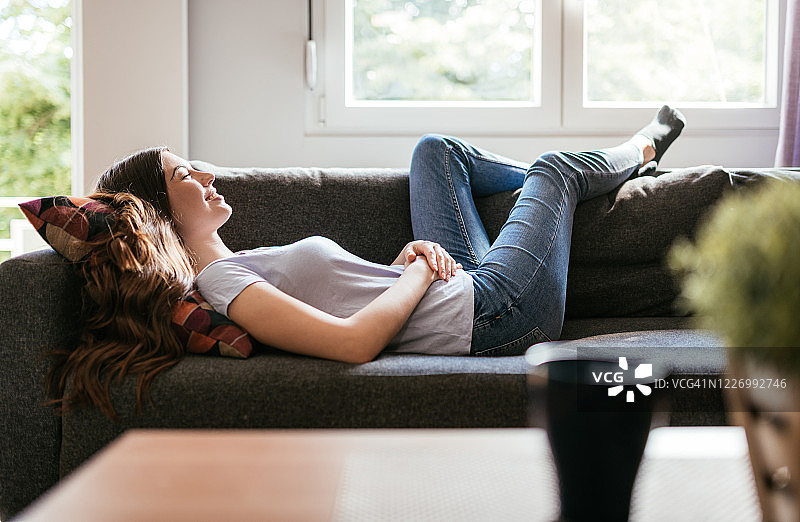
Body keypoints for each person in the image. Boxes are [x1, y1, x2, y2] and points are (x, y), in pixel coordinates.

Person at [46, 106, 685, 417]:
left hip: (459, 287)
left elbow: (353, 293)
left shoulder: (235, 265)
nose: (206, 173)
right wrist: (418, 270)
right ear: (159, 210)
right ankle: (639, 152)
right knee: (553, 170)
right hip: (496, 314)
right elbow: (354, 343)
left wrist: (404, 263)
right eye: (184, 174)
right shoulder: (220, 283)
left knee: (436, 152)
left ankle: (571, 195)